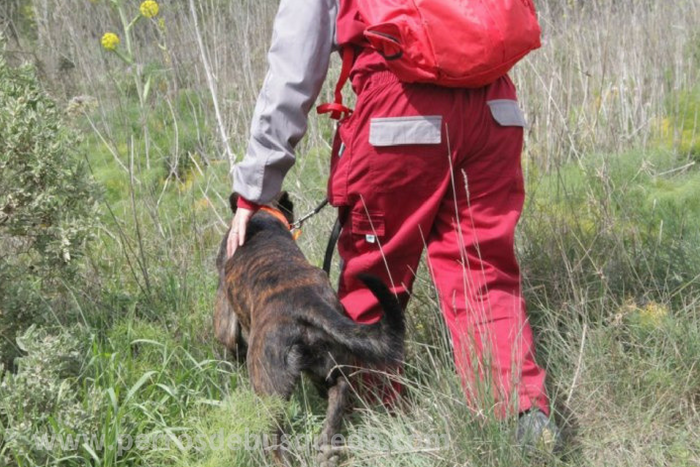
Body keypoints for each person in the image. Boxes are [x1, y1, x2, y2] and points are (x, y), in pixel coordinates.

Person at [226, 0, 559, 451]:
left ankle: (370, 424)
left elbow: (295, 60)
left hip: (401, 109)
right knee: (485, 274)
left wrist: (256, 187)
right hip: (494, 107)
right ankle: (523, 418)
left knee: (375, 276)